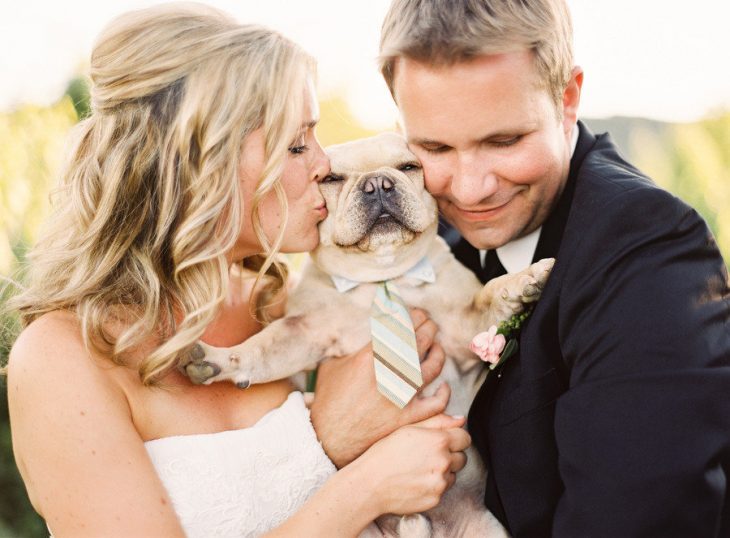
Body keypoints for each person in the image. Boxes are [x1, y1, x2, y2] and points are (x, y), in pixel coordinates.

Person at [4, 4, 470, 536]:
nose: (323, 164)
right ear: (199, 165)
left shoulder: (284, 304)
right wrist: (359, 478)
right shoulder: (63, 356)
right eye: (297, 144)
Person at [371, 0, 730, 536]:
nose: (470, 189)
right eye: (435, 147)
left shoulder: (649, 248)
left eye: (504, 141)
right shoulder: (428, 239)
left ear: (567, 99)